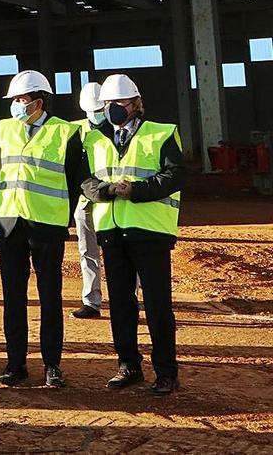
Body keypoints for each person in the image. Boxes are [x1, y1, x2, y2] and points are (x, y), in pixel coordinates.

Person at [81, 74, 186, 396]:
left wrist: (136, 190)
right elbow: (85, 182)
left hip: (149, 230)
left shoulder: (161, 133)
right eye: (108, 104)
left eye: (119, 103)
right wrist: (106, 191)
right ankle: (128, 366)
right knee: (121, 305)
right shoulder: (95, 139)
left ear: (135, 105)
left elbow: (175, 174)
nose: (113, 109)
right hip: (111, 231)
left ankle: (166, 372)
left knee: (157, 305)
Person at [0, 72, 86, 388]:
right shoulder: (5, 129)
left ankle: (52, 365)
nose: (16, 106)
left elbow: (76, 181)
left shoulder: (65, 132)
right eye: (15, 101)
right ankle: (14, 364)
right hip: (9, 223)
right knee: (13, 297)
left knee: (50, 296)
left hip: (46, 225)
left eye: (20, 100)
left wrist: (60, 214)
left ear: (38, 102)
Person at [71, 82, 107, 319]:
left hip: (113, 200)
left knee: (121, 252)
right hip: (84, 201)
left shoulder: (119, 128)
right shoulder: (74, 130)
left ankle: (130, 298)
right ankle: (91, 301)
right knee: (87, 252)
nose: (95, 115)